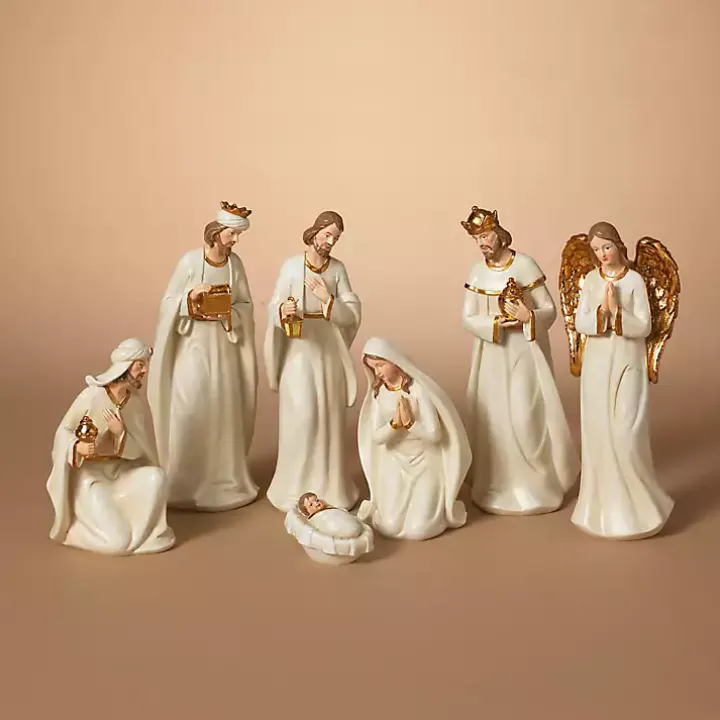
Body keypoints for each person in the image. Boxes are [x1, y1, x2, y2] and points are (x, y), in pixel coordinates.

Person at [461, 206, 579, 515]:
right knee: (494, 417)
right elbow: (468, 316)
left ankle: (536, 486)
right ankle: (497, 484)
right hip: (493, 355)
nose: (482, 243)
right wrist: (496, 324)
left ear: (498, 233)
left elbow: (549, 310)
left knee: (526, 415)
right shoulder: (477, 271)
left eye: (485, 236)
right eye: (476, 238)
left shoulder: (525, 265)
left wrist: (529, 316)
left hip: (523, 353)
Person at [147, 201, 259, 511]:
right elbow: (168, 302)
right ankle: (185, 481)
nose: (235, 240)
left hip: (223, 347)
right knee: (190, 405)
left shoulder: (235, 266)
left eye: (237, 235)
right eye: (231, 234)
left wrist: (229, 313)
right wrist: (190, 298)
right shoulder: (190, 262)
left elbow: (246, 305)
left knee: (221, 409)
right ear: (216, 233)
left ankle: (223, 479)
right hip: (193, 344)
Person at [567, 221, 675, 539]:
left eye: (607, 247)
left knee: (626, 433)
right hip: (597, 365)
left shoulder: (634, 280)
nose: (602, 254)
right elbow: (579, 321)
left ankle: (640, 510)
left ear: (618, 245)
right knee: (599, 431)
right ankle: (603, 507)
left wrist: (617, 313)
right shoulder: (590, 280)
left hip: (628, 363)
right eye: (596, 249)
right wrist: (601, 313)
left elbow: (644, 326)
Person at [264, 210, 362, 511]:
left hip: (327, 351)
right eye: (327, 234)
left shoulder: (337, 270)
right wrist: (283, 312)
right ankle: (293, 486)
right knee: (301, 416)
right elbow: (274, 305)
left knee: (327, 417)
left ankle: (330, 487)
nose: (330, 242)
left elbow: (352, 313)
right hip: (299, 350)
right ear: (315, 231)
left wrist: (327, 299)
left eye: (336, 238)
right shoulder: (292, 266)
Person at [46, 338, 175, 555]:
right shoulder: (92, 396)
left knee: (157, 478)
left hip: (120, 474)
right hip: (92, 480)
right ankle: (77, 531)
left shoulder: (132, 402)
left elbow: (140, 449)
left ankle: (143, 537)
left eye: (145, 365)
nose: (144, 371)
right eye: (140, 366)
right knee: (117, 542)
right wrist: (77, 447)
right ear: (125, 367)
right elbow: (63, 431)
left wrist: (121, 434)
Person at [356, 337, 471, 540]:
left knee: (420, 529)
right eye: (374, 368)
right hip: (395, 462)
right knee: (389, 526)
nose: (378, 372)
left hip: (425, 463)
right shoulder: (379, 394)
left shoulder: (418, 390)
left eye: (381, 365)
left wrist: (410, 424)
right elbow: (376, 436)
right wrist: (395, 424)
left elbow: (434, 434)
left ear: (394, 360)